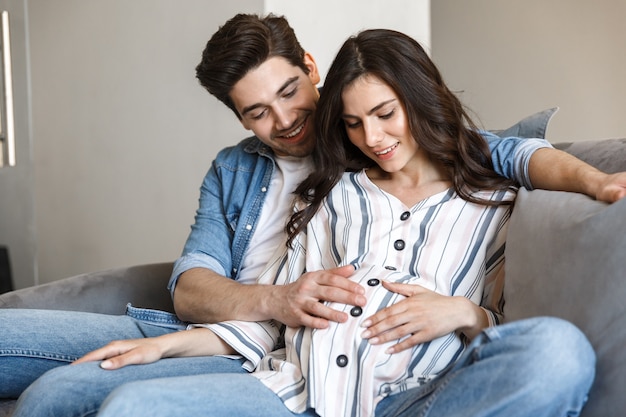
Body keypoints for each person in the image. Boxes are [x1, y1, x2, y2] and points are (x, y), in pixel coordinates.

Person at [2, 12, 621, 414]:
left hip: (404, 386)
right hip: (267, 359)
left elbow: (510, 154)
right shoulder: (287, 182)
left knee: (556, 349)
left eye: (289, 94)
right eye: (256, 112)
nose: (283, 121)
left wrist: (596, 181)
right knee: (68, 392)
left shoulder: (477, 180)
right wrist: (182, 342)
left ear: (310, 71)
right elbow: (194, 285)